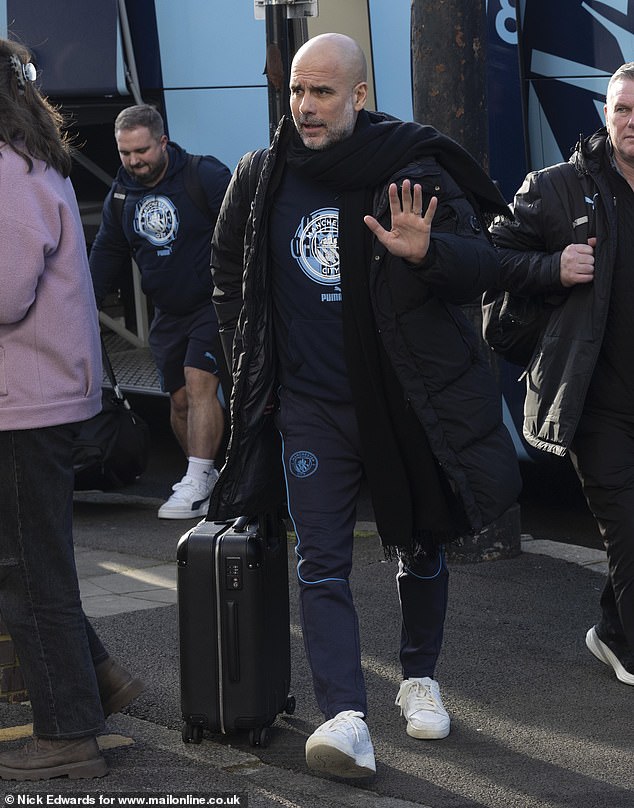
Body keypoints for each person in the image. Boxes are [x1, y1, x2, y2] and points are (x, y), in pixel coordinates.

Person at [209, 33, 521, 778]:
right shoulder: (261, 176)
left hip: (400, 402)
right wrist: (252, 365)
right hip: (310, 408)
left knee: (420, 544)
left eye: (321, 92)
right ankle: (345, 716)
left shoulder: (410, 171)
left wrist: (429, 252)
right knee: (321, 563)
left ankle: (418, 678)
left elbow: (485, 269)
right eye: (295, 91)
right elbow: (226, 275)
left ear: (359, 96)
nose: (305, 108)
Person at [0, 37, 143, 781]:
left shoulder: (5, 170)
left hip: (24, 403)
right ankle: (102, 679)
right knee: (29, 565)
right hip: (33, 398)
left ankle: (69, 735)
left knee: (29, 572)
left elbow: (5, 292)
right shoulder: (27, 161)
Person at [490, 62, 634, 689]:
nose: (632, 123)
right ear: (606, 113)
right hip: (594, 400)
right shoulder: (558, 189)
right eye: (623, 109)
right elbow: (492, 260)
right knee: (629, 525)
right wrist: (552, 268)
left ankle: (611, 631)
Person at [90, 105, 231, 519]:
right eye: (125, 153)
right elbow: (106, 254)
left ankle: (198, 476)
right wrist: (81, 305)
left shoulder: (203, 176)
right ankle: (204, 477)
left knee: (199, 380)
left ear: (163, 142)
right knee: (181, 401)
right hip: (167, 311)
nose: (135, 161)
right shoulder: (121, 195)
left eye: (142, 151)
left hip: (212, 302)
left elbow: (245, 231)